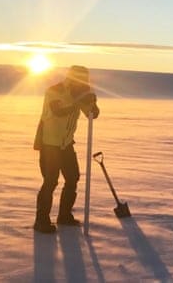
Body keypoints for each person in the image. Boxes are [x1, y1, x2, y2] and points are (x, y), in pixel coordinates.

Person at [33, 65, 100, 233]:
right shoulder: (54, 90)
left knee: (72, 178)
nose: (84, 82)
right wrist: (78, 100)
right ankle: (41, 221)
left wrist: (93, 104)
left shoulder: (80, 92)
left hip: (66, 144)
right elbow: (58, 111)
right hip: (50, 144)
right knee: (50, 181)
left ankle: (64, 216)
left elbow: (92, 113)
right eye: (81, 79)